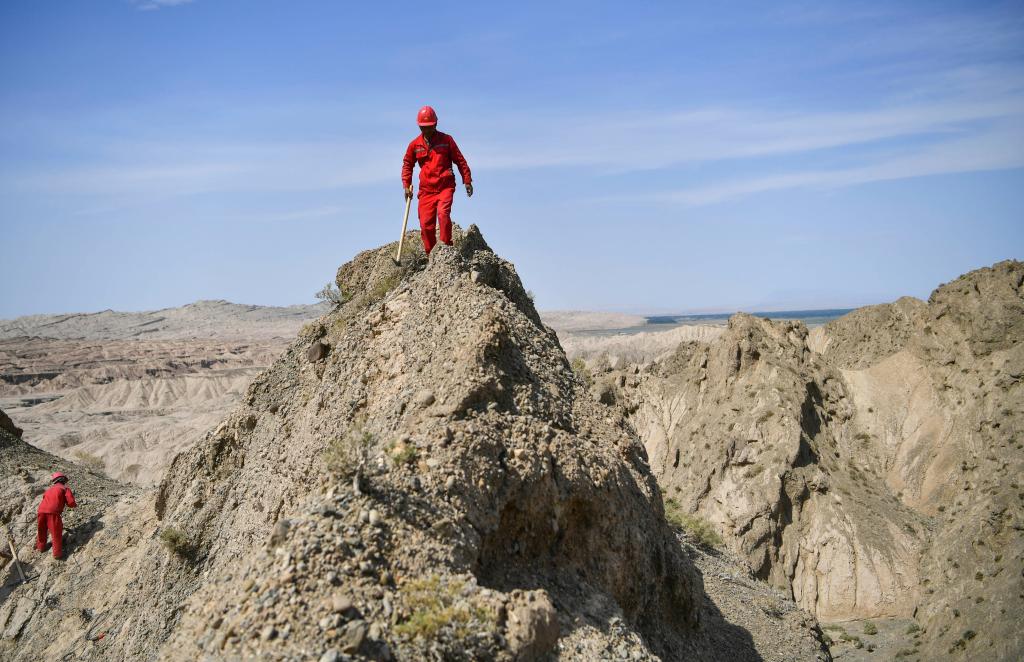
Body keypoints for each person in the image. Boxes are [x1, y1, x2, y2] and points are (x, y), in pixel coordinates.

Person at [401, 105, 473, 254]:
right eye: (423, 127)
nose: (426, 130)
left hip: (445, 187)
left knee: (443, 214)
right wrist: (406, 185)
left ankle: (446, 250)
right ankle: (432, 255)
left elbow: (460, 160)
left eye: (429, 127)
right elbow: (407, 164)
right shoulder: (414, 145)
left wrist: (467, 180)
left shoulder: (447, 140)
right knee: (426, 225)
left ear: (435, 124)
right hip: (426, 191)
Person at [36, 471, 76, 559]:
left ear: (55, 481)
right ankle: (57, 554)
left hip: (41, 511)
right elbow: (71, 503)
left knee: (41, 530)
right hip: (53, 512)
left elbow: (44, 498)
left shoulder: (49, 489)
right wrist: (73, 504)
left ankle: (40, 547)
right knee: (56, 532)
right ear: (63, 480)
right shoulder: (65, 488)